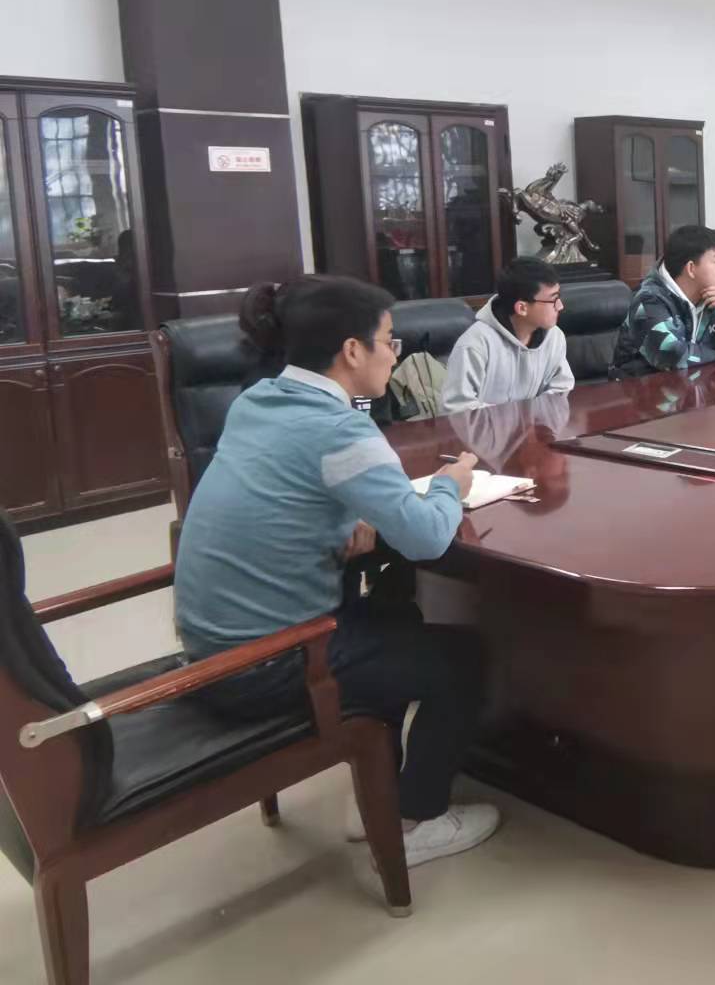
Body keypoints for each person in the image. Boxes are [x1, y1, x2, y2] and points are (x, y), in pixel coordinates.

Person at [173, 275, 499, 867]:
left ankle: (378, 789)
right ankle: (414, 821)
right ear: (352, 350)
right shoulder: (339, 427)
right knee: (463, 658)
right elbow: (426, 537)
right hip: (265, 666)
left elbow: (286, 493)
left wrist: (347, 520)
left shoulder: (257, 401)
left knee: (396, 614)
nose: (395, 354)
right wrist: (451, 484)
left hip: (212, 650)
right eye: (389, 340)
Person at [610, 224, 715, 376]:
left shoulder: (712, 296)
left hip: (693, 384)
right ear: (691, 268)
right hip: (638, 387)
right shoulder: (648, 301)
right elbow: (674, 356)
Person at [443, 256, 577, 412]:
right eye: (553, 300)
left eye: (559, 296)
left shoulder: (554, 337)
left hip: (536, 426)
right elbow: (457, 408)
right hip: (486, 428)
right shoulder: (475, 345)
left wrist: (534, 420)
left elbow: (561, 389)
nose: (560, 306)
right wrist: (517, 419)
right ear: (522, 308)